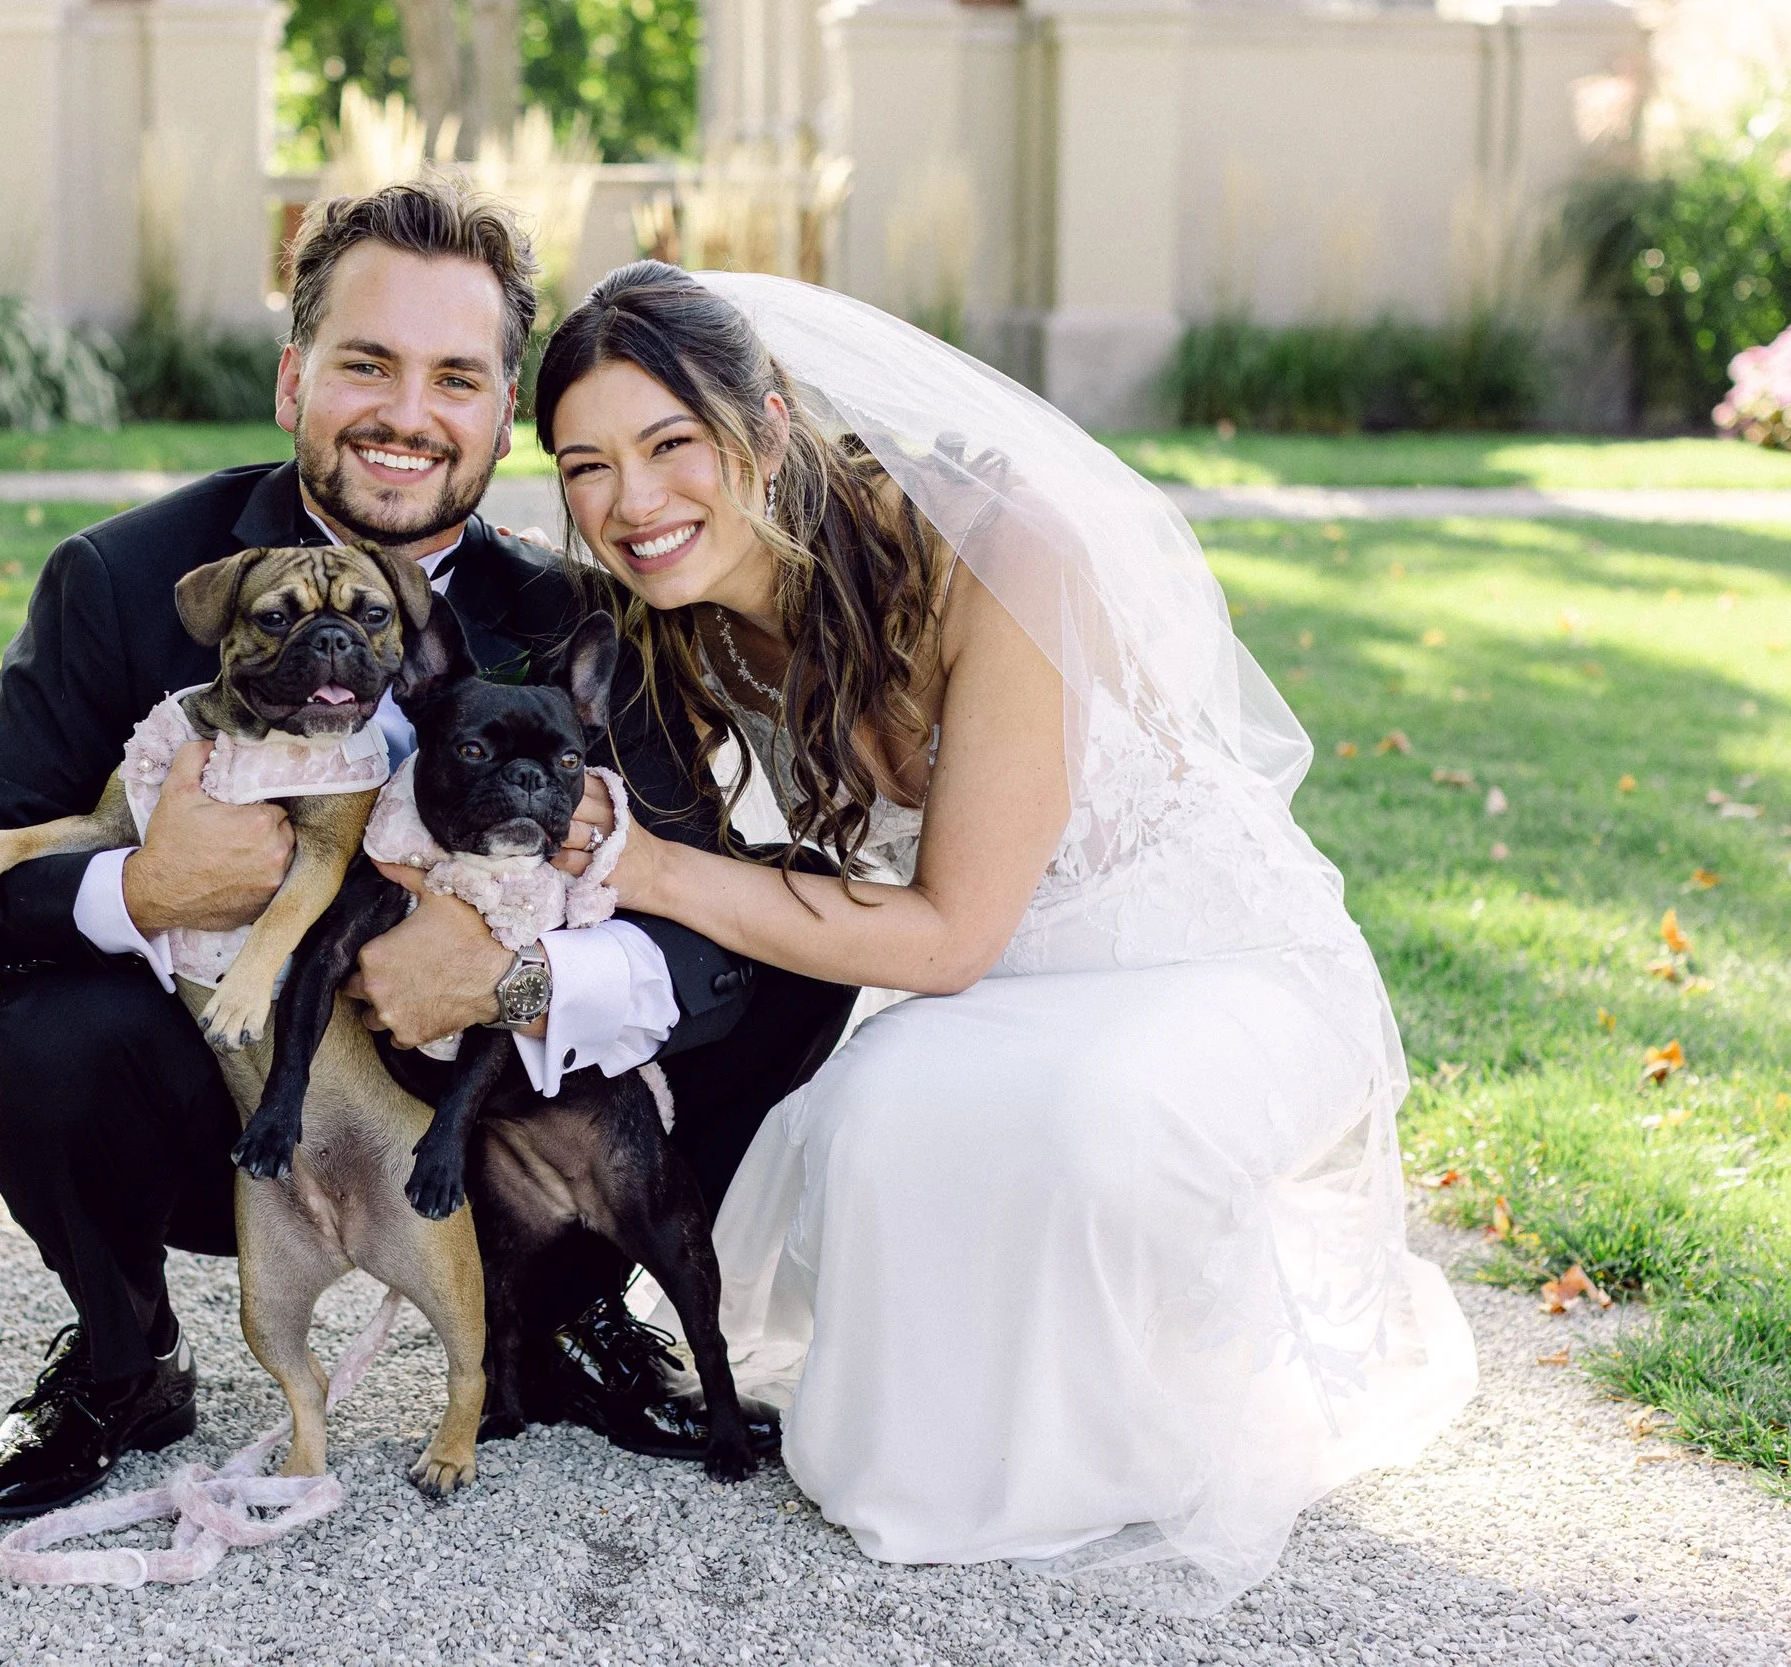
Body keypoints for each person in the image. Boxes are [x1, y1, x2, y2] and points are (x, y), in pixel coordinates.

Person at [0, 187, 856, 1521]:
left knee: (792, 952)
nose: (409, 411)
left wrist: (521, 974)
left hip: (488, 1109)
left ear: (502, 416)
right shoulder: (123, 576)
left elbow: (708, 924)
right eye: (366, 363)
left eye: (455, 376)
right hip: (227, 1103)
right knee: (47, 1046)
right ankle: (124, 1358)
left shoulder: (582, 616)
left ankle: (556, 1319)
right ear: (294, 378)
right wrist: (144, 888)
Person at [526, 262, 1478, 1613]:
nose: (633, 501)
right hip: (1008, 984)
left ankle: (1112, 1433)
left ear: (773, 424)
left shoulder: (994, 549)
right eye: (587, 465)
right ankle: (921, 1459)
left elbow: (950, 930)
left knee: (1096, 1125)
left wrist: (651, 868)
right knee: (871, 1123)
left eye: (672, 442)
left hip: (1209, 960)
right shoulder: (679, 617)